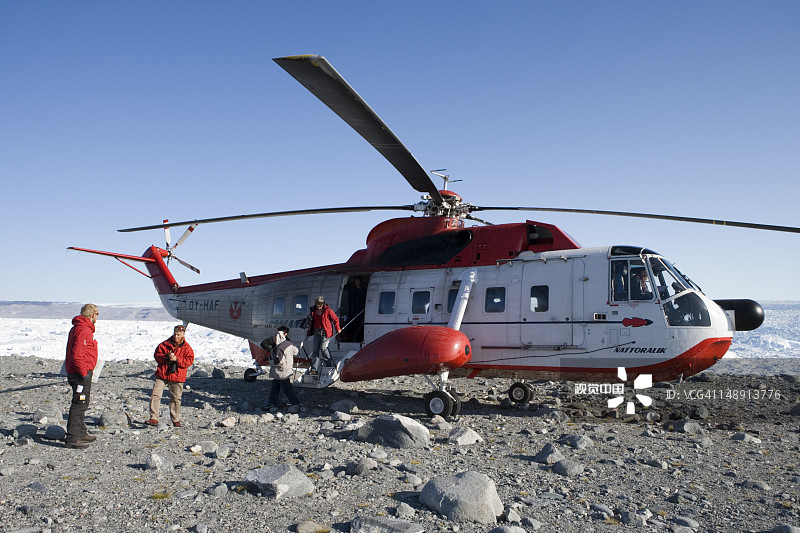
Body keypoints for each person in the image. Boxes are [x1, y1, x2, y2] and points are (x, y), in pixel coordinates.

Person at [64, 303, 100, 449]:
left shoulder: (80, 329)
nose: (97, 317)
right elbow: (77, 355)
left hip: (80, 372)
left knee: (83, 402)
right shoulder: (83, 330)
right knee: (79, 403)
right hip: (80, 374)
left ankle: (80, 431)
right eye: (97, 314)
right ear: (92, 315)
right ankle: (73, 437)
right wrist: (84, 373)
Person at [147, 324, 194, 427]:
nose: (176, 336)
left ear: (183, 334)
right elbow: (157, 355)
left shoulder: (187, 348)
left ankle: (175, 419)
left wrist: (177, 360)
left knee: (176, 398)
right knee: (155, 395)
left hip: (176, 376)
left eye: (178, 334)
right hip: (162, 374)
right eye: (175, 334)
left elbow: (189, 361)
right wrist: (166, 357)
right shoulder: (164, 345)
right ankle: (154, 418)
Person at [265, 325, 300, 408]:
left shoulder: (279, 348)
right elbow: (296, 351)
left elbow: (279, 361)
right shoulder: (289, 344)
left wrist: (270, 362)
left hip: (281, 371)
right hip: (287, 369)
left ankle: (295, 404)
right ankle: (273, 402)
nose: (273, 339)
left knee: (286, 389)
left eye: (275, 337)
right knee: (276, 386)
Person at [307, 296, 341, 374]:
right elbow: (311, 320)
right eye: (317, 304)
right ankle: (314, 369)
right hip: (316, 330)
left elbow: (335, 319)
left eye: (320, 304)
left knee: (323, 348)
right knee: (315, 350)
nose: (318, 306)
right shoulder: (313, 310)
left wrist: (338, 328)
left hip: (326, 331)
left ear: (323, 304)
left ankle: (328, 362)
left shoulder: (328, 310)